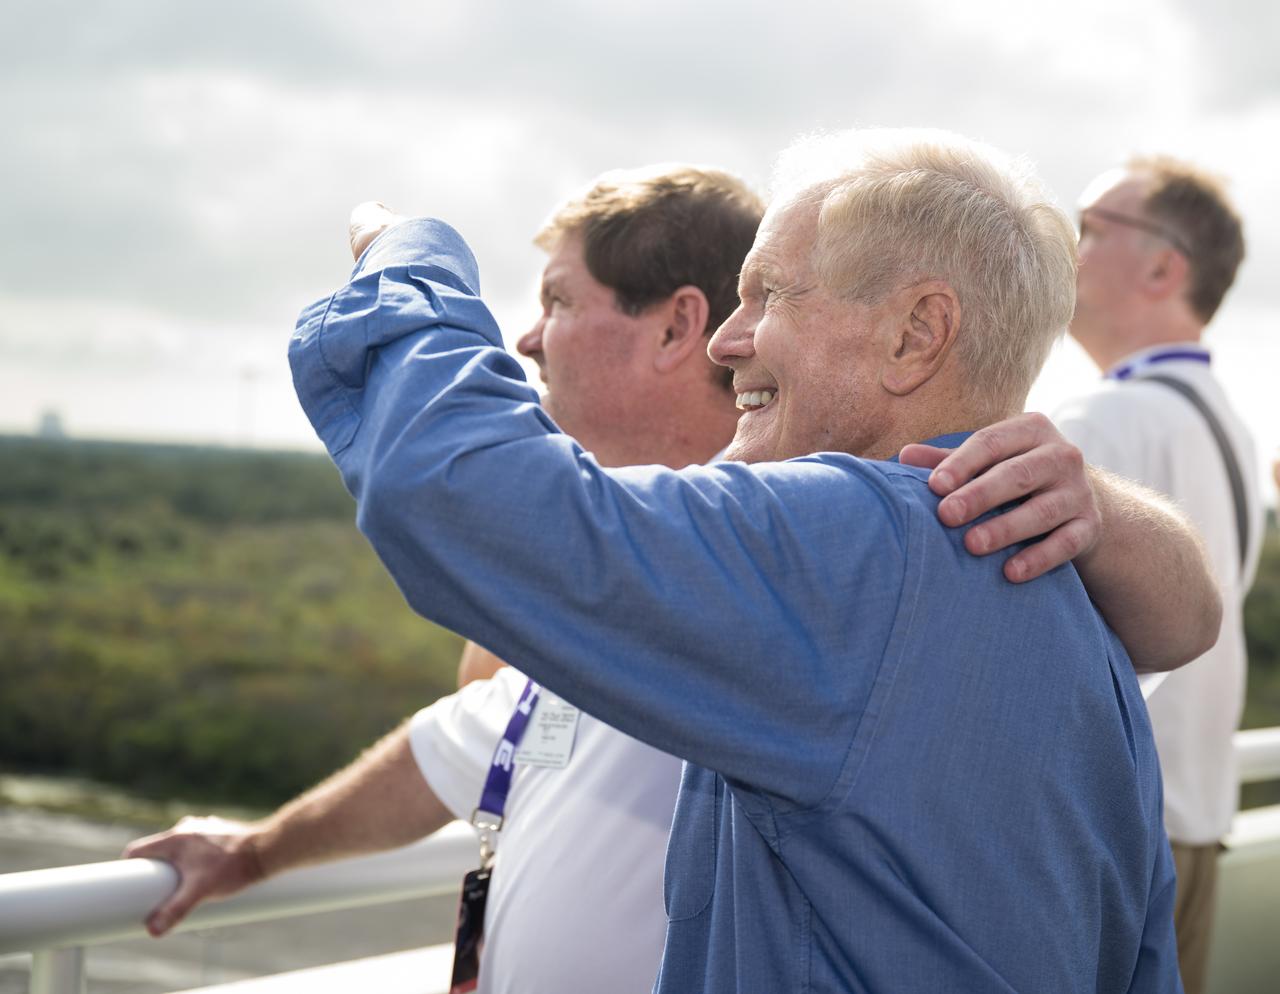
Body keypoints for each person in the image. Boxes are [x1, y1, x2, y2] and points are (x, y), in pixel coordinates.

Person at [128, 146, 1218, 992]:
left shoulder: (847, 543)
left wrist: (407, 256)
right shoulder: (1054, 581)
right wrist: (259, 852)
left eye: (771, 295)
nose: (728, 341)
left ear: (913, 336)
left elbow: (457, 500)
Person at [1054, 155, 1265, 994]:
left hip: (1113, 844)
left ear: (1163, 267)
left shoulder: (1103, 423)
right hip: (1196, 819)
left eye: (1093, 228)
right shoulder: (1229, 425)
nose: (1070, 247)